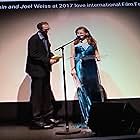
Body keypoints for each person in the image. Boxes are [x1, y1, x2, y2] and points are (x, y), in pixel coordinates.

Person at [25, 21, 60, 129]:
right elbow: (33, 55)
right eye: (45, 29)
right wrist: (47, 60)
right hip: (36, 71)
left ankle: (48, 117)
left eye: (48, 29)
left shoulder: (45, 38)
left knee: (46, 94)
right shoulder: (34, 39)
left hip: (44, 70)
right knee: (37, 96)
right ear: (40, 29)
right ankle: (37, 119)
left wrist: (53, 56)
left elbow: (46, 51)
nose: (47, 31)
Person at [70, 26, 102, 128]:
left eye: (81, 32)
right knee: (84, 90)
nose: (79, 34)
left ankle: (96, 116)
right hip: (80, 67)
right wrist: (73, 69)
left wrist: (98, 56)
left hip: (91, 66)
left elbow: (96, 52)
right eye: (77, 33)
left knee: (94, 89)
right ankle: (87, 117)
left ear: (86, 33)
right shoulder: (74, 43)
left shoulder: (92, 42)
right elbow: (72, 56)